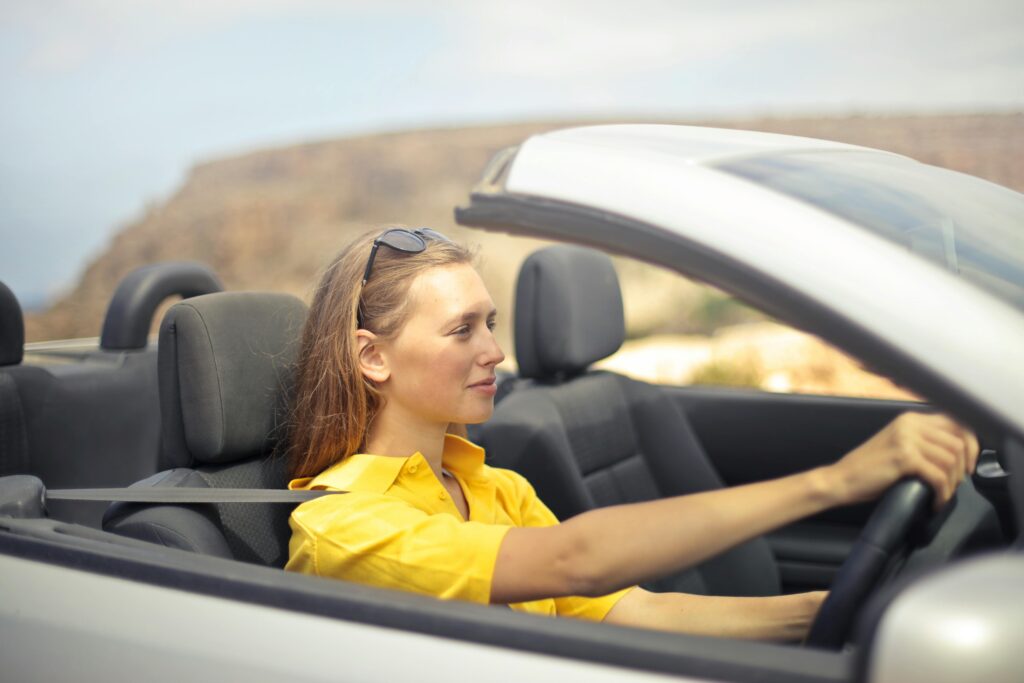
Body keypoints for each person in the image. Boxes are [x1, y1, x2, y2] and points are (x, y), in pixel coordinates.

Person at [283, 227, 978, 641]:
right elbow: (573, 560)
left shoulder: (492, 486)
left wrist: (841, 612)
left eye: (490, 323)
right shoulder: (345, 526)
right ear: (372, 355)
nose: (494, 351)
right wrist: (834, 482)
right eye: (462, 329)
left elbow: (635, 610)